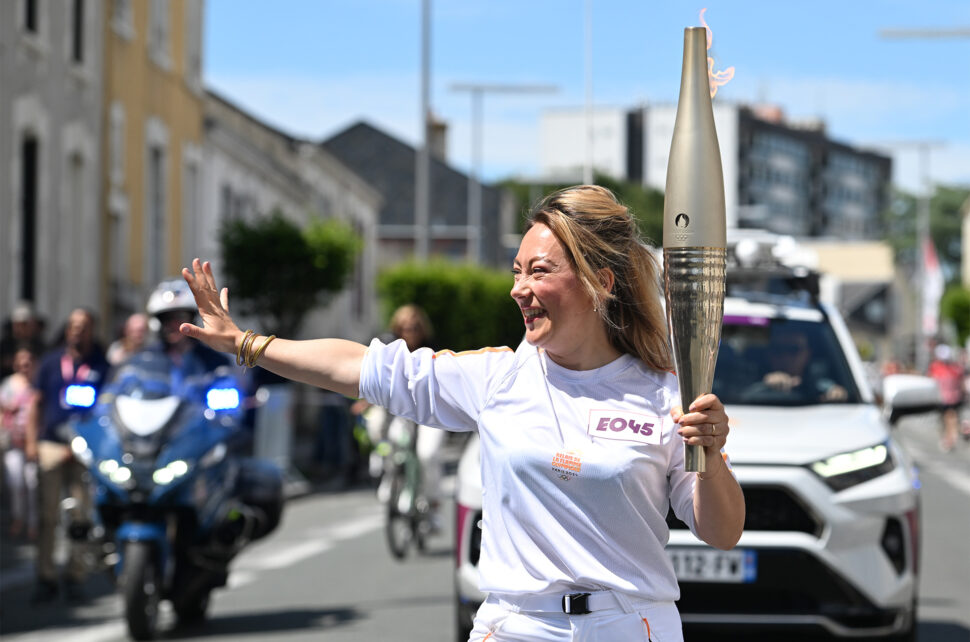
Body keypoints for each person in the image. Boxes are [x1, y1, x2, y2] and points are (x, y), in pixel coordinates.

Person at [178, 185, 745, 642]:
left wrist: (711, 457)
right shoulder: (496, 378)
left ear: (600, 282)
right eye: (516, 271)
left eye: (539, 271)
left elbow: (721, 531)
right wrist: (248, 343)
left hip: (629, 626)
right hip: (516, 626)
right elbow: (357, 367)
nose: (519, 289)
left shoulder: (662, 395)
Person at [26, 308, 110, 603]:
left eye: (83, 326)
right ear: (66, 330)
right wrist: (32, 443)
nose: (77, 331)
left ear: (91, 331)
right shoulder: (51, 362)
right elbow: (36, 403)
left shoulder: (101, 365)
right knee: (47, 515)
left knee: (80, 516)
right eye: (73, 326)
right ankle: (45, 576)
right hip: (51, 443)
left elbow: (108, 407)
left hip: (85, 448)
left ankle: (76, 575)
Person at [354, 304, 446, 525]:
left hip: (428, 411)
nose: (409, 332)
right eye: (404, 328)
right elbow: (376, 376)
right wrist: (366, 400)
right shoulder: (390, 346)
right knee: (388, 437)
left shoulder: (432, 349)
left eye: (414, 328)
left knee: (428, 454)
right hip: (400, 411)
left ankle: (433, 503)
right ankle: (390, 476)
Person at [1, 346, 39, 540]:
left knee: (33, 484)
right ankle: (18, 518)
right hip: (13, 442)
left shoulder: (38, 383)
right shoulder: (8, 384)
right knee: (15, 483)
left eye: (28, 362)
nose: (25, 366)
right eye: (21, 362)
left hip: (33, 442)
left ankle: (33, 523)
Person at [758, 326, 848, 402]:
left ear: (808, 354)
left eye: (793, 350)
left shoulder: (819, 384)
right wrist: (765, 385)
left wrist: (837, 394)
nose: (785, 357)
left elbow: (832, 389)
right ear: (768, 354)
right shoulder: (752, 379)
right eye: (777, 350)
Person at [927, 343, 965, 452]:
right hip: (943, 399)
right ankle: (949, 438)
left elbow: (960, 383)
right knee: (947, 419)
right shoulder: (936, 367)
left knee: (950, 418)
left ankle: (950, 439)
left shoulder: (954, 368)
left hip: (951, 399)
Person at [1, 301, 46, 378]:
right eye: (17, 325)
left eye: (24, 325)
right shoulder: (4, 345)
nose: (20, 328)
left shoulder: (40, 345)